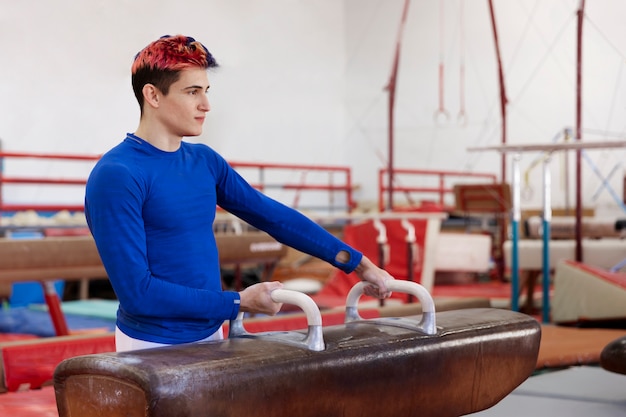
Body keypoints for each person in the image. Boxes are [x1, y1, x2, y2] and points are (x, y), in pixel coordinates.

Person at [85, 34, 394, 352]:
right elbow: (139, 293)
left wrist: (358, 264)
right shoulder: (117, 175)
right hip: (151, 343)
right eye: (192, 92)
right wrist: (238, 301)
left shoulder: (203, 161)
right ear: (153, 95)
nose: (206, 105)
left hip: (211, 333)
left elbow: (273, 217)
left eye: (205, 91)